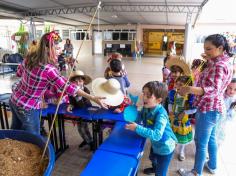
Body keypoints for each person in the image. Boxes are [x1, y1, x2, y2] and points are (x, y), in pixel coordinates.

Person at [9, 31, 106, 135]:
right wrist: (92, 98)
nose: (59, 51)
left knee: (15, 134)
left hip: (14, 99)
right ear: (47, 48)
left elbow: (19, 73)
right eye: (56, 48)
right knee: (32, 138)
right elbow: (68, 87)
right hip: (27, 107)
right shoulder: (48, 69)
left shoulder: (29, 58)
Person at [178, 34, 233, 176]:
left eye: (209, 49)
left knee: (201, 142)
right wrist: (209, 58)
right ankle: (213, 166)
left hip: (208, 108)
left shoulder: (219, 65)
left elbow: (213, 89)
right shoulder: (222, 60)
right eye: (204, 48)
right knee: (211, 138)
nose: (206, 52)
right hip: (216, 107)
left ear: (220, 48)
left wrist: (189, 89)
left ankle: (196, 172)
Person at [125, 81, 177, 176]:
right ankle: (154, 167)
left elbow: (157, 135)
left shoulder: (161, 115)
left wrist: (137, 128)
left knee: (160, 172)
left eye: (148, 96)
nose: (144, 97)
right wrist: (133, 109)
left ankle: (158, 170)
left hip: (166, 148)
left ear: (158, 100)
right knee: (153, 158)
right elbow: (139, 117)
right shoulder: (147, 107)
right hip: (155, 144)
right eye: (143, 93)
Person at [168, 76, 196, 161]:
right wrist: (170, 111)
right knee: (172, 134)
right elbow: (170, 103)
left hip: (183, 120)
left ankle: (181, 151)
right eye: (177, 83)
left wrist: (185, 113)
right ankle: (172, 147)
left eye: (181, 85)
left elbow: (195, 109)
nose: (177, 86)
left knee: (182, 137)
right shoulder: (173, 92)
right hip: (173, 118)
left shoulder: (191, 96)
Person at [66, 70, 94, 151]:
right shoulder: (71, 91)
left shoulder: (86, 91)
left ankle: (91, 142)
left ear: (84, 82)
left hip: (86, 112)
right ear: (73, 82)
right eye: (76, 81)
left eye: (80, 81)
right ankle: (86, 140)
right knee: (80, 128)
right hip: (78, 112)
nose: (78, 83)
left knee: (84, 128)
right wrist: (70, 105)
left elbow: (82, 105)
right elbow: (72, 102)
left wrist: (78, 96)